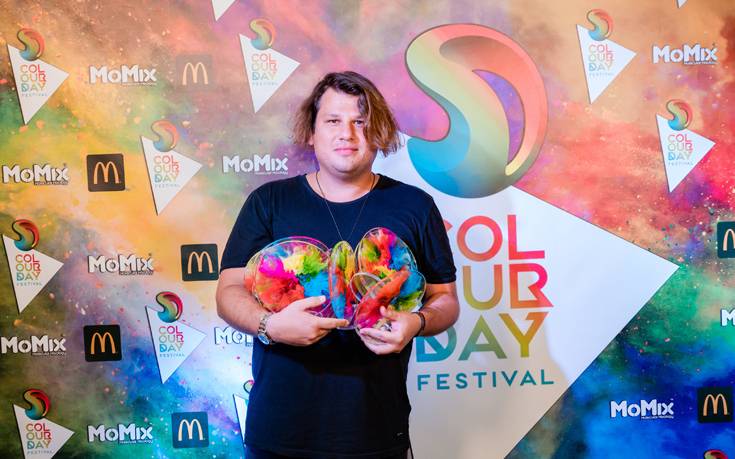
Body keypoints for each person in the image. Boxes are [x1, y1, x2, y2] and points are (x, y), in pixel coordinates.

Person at [216, 71, 459, 459]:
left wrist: (416, 322)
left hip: (376, 432)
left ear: (378, 132)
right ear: (312, 132)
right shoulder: (269, 202)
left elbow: (445, 299)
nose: (347, 133)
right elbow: (228, 292)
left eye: (360, 122)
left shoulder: (414, 206)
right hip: (279, 433)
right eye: (333, 120)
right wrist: (270, 326)